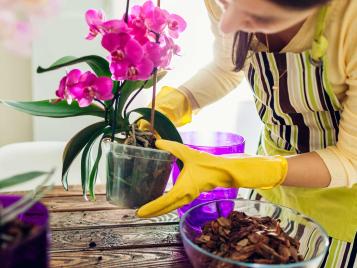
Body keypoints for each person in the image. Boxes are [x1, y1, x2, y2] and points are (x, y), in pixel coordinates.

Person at [137, 0, 357, 265]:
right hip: (269, 196)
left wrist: (242, 170)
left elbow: (350, 159)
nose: (228, 21)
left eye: (255, 14)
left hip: (340, 213)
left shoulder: (350, 21)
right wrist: (170, 107)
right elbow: (226, 67)